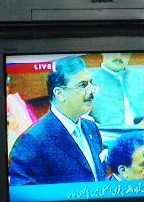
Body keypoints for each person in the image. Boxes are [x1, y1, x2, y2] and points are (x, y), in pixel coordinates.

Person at [9, 56, 106, 184]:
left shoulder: (91, 128)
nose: (92, 91)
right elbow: (27, 198)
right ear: (59, 93)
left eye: (91, 83)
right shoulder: (32, 141)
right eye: (83, 85)